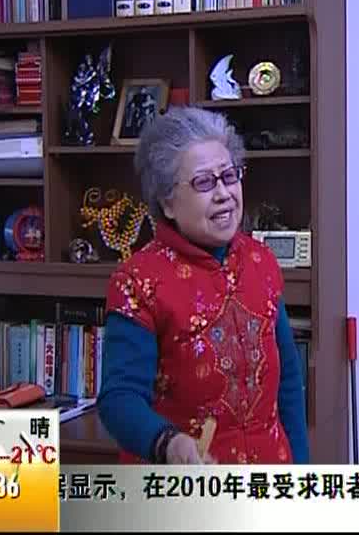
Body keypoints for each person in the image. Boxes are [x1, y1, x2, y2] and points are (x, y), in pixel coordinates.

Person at [99, 106, 309, 465]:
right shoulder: (138, 281)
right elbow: (119, 399)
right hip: (186, 482)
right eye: (204, 183)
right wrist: (166, 443)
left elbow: (288, 382)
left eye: (229, 175)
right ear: (167, 201)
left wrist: (301, 472)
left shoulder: (261, 261)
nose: (224, 193)